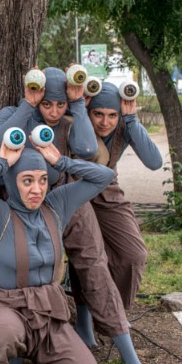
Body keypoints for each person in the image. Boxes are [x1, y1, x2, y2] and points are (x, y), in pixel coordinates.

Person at [0, 68, 150, 364]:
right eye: (46, 103)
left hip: (65, 199)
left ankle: (126, 350)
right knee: (27, 271)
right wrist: (28, 105)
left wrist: (76, 107)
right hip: (23, 206)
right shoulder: (15, 113)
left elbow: (89, 150)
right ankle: (27, 350)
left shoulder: (69, 120)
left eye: (59, 103)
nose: (52, 111)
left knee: (94, 265)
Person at [0, 140, 113, 364]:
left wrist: (60, 162)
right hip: (6, 310)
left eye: (42, 180)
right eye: (27, 181)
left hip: (50, 316)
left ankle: (51, 361)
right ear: (12, 183)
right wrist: (3, 163)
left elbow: (104, 176)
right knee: (1, 332)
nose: (37, 189)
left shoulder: (57, 205)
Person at [74, 81, 162, 319]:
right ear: (89, 110)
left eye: (112, 115)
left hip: (106, 188)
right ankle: (84, 317)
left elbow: (154, 162)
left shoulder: (125, 124)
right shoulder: (75, 121)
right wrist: (79, 111)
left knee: (133, 255)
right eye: (98, 114)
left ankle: (115, 315)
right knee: (88, 255)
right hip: (72, 188)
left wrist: (130, 119)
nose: (105, 122)